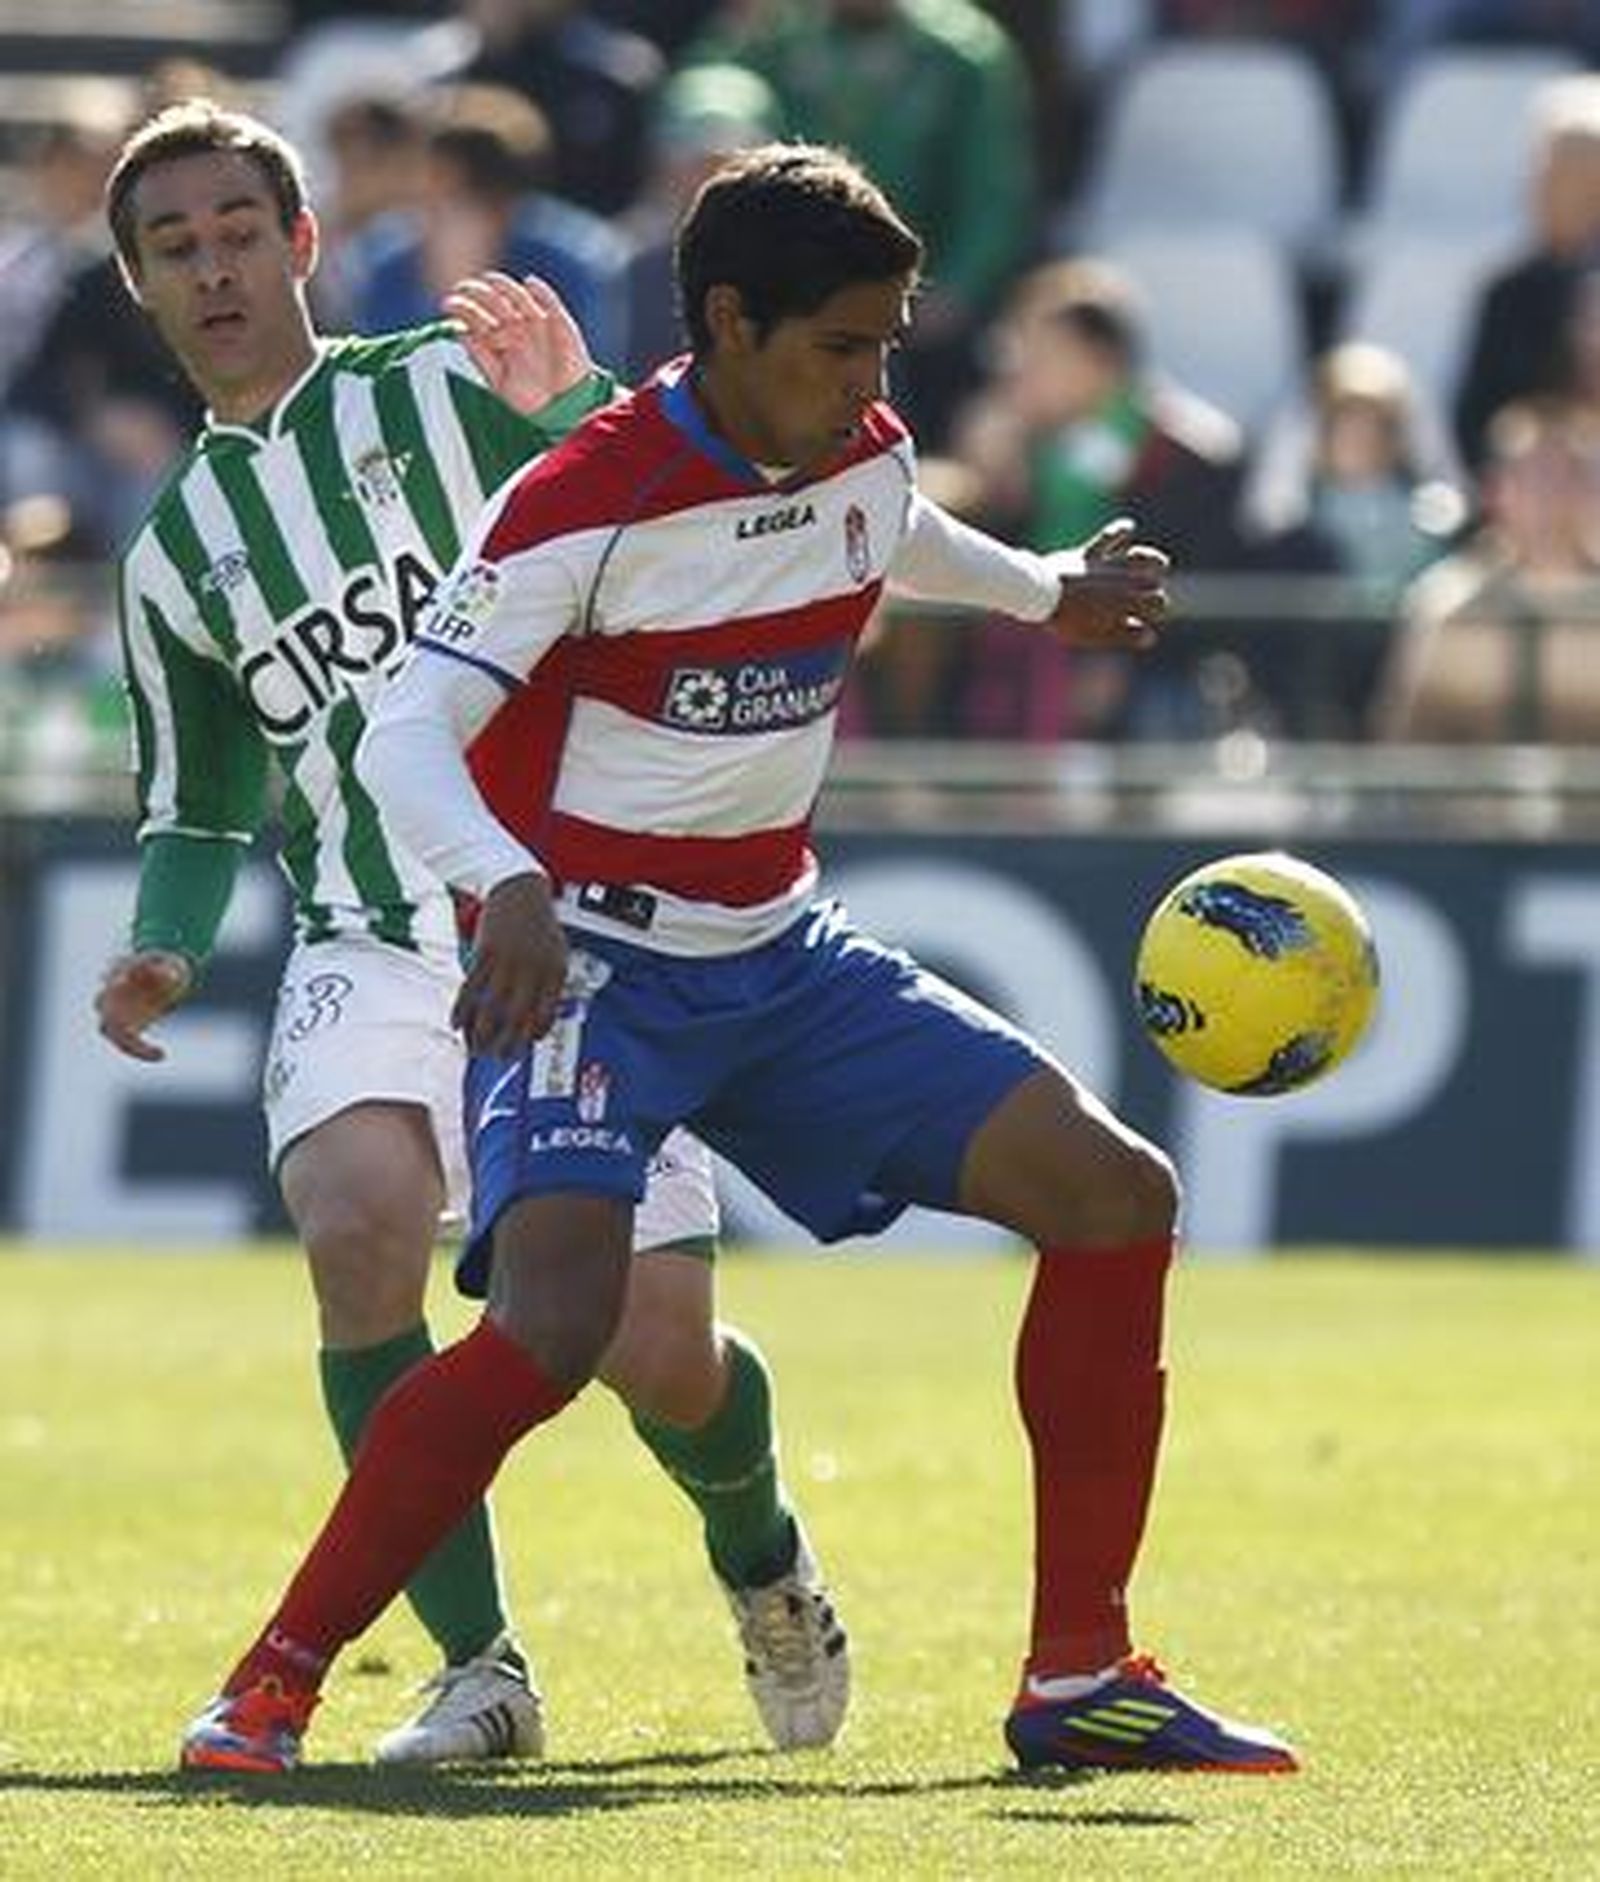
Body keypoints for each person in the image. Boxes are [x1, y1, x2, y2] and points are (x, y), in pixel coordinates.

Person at [178, 140, 1299, 1779]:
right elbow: (412, 721)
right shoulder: (587, 497)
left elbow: (893, 524)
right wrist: (505, 886)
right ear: (727, 323)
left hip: (784, 956)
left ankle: (1078, 1674)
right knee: (556, 1326)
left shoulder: (859, 446)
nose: (874, 380)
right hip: (597, 976)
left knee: (1117, 1194)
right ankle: (270, 1684)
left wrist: (1047, 593)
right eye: (845, 345)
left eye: (891, 345)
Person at [93, 99, 850, 1769]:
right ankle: (480, 1666)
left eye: (239, 232)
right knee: (360, 1223)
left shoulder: (452, 389)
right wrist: (165, 940)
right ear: (141, 290)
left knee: (660, 1352)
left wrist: (575, 404)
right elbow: (204, 800)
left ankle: (764, 1551)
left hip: (580, 932)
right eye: (175, 249)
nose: (214, 269)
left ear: (305, 245)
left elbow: (692, 510)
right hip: (371, 934)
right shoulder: (173, 557)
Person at [1371, 395, 1600, 742]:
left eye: (1568, 478)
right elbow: (1408, 745)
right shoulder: (1450, 604)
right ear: (1497, 493)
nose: (1551, 498)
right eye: (1535, 479)